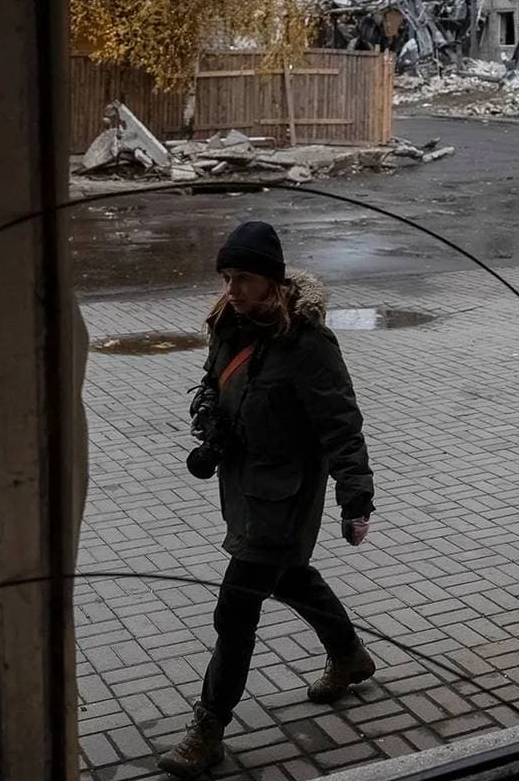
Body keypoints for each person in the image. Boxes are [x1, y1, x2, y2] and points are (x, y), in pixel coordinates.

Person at [157, 220, 378, 777]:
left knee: (235, 608)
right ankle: (349, 656)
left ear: (274, 281)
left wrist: (356, 498)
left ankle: (209, 727)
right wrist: (208, 412)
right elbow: (212, 380)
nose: (232, 289)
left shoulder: (308, 342)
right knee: (289, 577)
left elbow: (341, 424)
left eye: (245, 278)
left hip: (287, 495)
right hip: (245, 485)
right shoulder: (229, 326)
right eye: (227, 277)